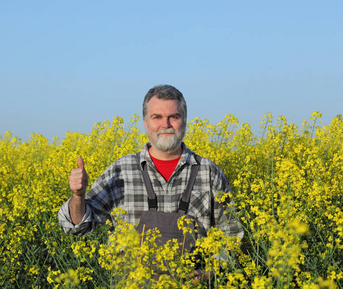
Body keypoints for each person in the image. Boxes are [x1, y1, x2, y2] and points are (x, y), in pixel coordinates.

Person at [58, 85, 243, 263]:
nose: (166, 124)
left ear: (184, 122)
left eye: (174, 116)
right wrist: (78, 197)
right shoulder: (121, 171)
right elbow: (76, 226)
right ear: (146, 123)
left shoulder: (209, 172)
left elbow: (232, 236)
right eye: (157, 117)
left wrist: (208, 274)